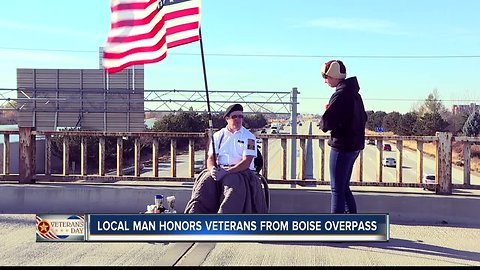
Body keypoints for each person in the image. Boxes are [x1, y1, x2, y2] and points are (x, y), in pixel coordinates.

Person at [184, 104, 268, 214]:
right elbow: (211, 158)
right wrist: (212, 169)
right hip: (220, 169)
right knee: (205, 182)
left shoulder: (249, 137)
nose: (238, 119)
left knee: (232, 184)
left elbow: (247, 162)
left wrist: (226, 172)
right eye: (234, 117)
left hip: (241, 172)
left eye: (240, 116)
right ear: (227, 118)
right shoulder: (218, 136)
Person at [320, 60, 367, 214]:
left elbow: (326, 123)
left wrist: (324, 118)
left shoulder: (340, 95)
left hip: (341, 147)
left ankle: (336, 230)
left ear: (333, 76)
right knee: (343, 187)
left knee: (336, 189)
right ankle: (351, 225)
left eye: (325, 76)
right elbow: (364, 118)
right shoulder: (354, 94)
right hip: (354, 146)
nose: (325, 80)